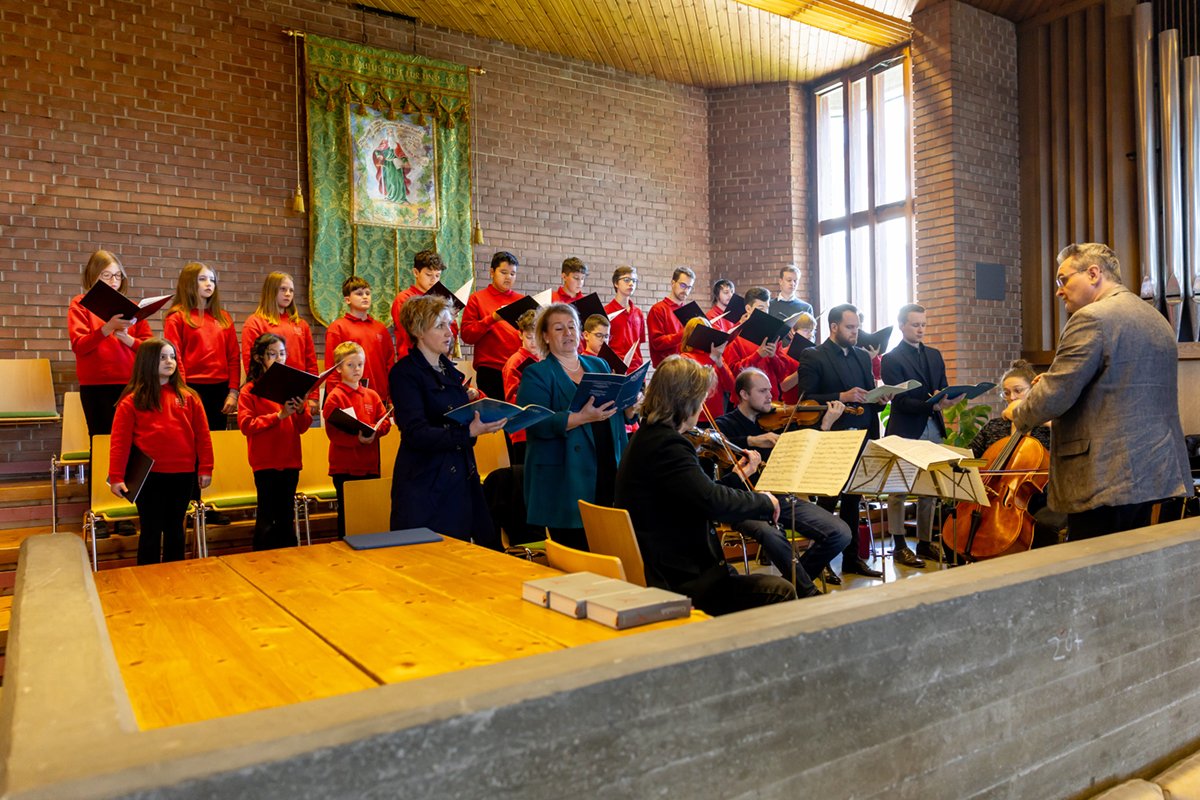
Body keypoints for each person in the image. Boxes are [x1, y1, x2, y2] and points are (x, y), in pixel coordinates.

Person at [1004, 242, 1191, 539]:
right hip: (1154, 468)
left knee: (1093, 565)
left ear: (1093, 273)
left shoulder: (1091, 318)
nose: (1059, 291)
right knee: (1132, 558)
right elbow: (1119, 388)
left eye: (1063, 280)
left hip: (1105, 474)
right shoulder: (1158, 320)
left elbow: (1055, 395)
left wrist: (1019, 411)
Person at [614, 356, 796, 615]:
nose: (702, 407)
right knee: (781, 591)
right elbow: (712, 503)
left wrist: (737, 477)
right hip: (679, 578)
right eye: (700, 400)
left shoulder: (648, 436)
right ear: (686, 401)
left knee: (740, 578)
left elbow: (696, 493)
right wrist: (765, 501)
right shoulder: (668, 445)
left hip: (665, 564)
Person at [715, 367, 853, 592]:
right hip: (743, 503)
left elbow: (806, 451)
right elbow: (719, 444)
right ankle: (808, 592)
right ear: (744, 394)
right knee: (771, 534)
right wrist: (752, 440)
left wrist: (826, 425)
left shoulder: (781, 421)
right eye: (762, 391)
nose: (770, 397)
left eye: (770, 390)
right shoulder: (724, 424)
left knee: (840, 532)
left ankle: (791, 587)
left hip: (780, 498)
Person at [515, 304, 633, 551]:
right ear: (546, 336)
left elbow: (610, 410)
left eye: (572, 327)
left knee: (607, 550)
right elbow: (534, 422)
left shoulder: (599, 365)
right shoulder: (537, 373)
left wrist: (629, 409)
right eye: (559, 328)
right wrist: (580, 418)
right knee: (577, 553)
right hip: (566, 478)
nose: (568, 333)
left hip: (606, 468)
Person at [390, 295, 504, 546]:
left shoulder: (450, 371)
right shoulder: (405, 373)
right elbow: (415, 433)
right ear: (418, 330)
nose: (449, 332)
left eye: (449, 324)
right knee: (430, 556)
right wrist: (468, 432)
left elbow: (455, 418)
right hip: (426, 481)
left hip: (461, 474)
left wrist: (482, 415)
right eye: (440, 326)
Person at [795, 303, 893, 579]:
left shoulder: (862, 356)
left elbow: (869, 396)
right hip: (832, 438)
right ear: (834, 327)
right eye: (850, 327)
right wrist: (842, 396)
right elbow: (806, 398)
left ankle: (852, 559)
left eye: (857, 327)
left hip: (861, 436)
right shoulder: (813, 355)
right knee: (829, 500)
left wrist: (880, 399)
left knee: (852, 500)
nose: (855, 332)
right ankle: (820, 561)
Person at [108, 338, 213, 565]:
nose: (169, 362)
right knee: (151, 530)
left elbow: (203, 436)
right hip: (149, 477)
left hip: (183, 474)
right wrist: (116, 477)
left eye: (172, 357)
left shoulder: (189, 397)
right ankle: (148, 576)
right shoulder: (132, 401)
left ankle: (175, 575)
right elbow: (120, 442)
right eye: (163, 357)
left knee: (175, 528)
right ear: (147, 362)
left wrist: (206, 467)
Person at [879, 303, 956, 566]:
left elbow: (942, 387)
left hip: (933, 426)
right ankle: (899, 545)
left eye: (923, 324)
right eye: (915, 325)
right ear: (902, 326)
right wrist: (931, 405)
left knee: (930, 488)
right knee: (899, 489)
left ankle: (924, 543)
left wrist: (948, 399)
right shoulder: (891, 359)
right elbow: (899, 401)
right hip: (905, 429)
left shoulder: (934, 354)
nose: (920, 329)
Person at [967, 359, 1060, 550]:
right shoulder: (995, 426)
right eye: (1006, 393)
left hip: (1041, 498)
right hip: (998, 497)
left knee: (1043, 527)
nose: (1012, 397)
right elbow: (970, 456)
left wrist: (1023, 416)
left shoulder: (1048, 427)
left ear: (1033, 391)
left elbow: (1068, 434)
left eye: (1018, 390)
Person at [238, 334, 312, 551]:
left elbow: (303, 427)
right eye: (272, 354)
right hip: (265, 462)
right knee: (267, 516)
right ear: (259, 358)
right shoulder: (250, 390)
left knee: (286, 517)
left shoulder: (292, 385)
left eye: (282, 353)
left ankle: (289, 560)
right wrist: (278, 416)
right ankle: (262, 559)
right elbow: (246, 425)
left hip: (290, 459)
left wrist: (301, 410)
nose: (279, 359)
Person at [69, 250, 153, 438]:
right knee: (101, 439)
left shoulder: (133, 308)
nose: (114, 281)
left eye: (117, 275)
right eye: (106, 275)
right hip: (96, 385)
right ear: (93, 275)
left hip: (130, 384)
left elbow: (149, 349)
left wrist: (128, 340)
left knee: (132, 440)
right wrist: (108, 328)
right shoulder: (81, 304)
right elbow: (79, 345)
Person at [323, 341, 392, 539]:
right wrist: (357, 440)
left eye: (360, 364)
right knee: (347, 514)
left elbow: (385, 422)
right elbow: (333, 433)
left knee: (368, 512)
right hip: (344, 466)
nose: (356, 369)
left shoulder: (372, 395)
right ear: (338, 369)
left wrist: (375, 432)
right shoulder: (334, 397)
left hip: (369, 464)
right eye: (350, 365)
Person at [164, 261, 239, 431]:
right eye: (202, 279)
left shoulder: (224, 317)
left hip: (220, 388)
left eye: (212, 280)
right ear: (189, 282)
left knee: (216, 438)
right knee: (190, 437)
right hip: (190, 386)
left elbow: (234, 357)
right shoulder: (177, 317)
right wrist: (181, 389)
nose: (209, 284)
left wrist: (233, 392)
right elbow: (175, 357)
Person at [241, 271, 318, 413]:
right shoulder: (254, 323)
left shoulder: (301, 325)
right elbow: (250, 363)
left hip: (298, 396)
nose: (288, 294)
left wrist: (313, 396)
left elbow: (311, 363)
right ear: (271, 291)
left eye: (291, 290)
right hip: (268, 396)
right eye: (283, 289)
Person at [461, 251, 525, 402]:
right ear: (492, 272)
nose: (508, 277)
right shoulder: (477, 298)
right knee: (493, 414)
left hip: (518, 369)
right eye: (504, 272)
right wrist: (492, 319)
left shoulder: (521, 301)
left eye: (513, 274)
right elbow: (467, 335)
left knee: (518, 412)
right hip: (490, 369)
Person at [324, 276, 395, 400]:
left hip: (379, 396)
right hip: (349, 397)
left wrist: (391, 395)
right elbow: (332, 368)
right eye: (359, 294)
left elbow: (389, 364)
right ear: (347, 300)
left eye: (368, 293)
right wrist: (337, 397)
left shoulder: (381, 329)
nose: (365, 297)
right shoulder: (338, 328)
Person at [390, 249, 458, 359]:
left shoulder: (441, 299)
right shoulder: (404, 299)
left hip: (438, 358)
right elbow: (409, 333)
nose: (433, 280)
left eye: (437, 276)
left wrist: (451, 318)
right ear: (416, 273)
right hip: (413, 359)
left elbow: (452, 334)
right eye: (429, 275)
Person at [502, 309, 541, 463]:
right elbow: (511, 399)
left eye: (537, 337)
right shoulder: (515, 362)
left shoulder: (544, 359)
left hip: (541, 427)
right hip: (522, 432)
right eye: (529, 337)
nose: (533, 342)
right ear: (520, 335)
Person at [679, 317, 735, 422]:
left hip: (717, 417)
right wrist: (711, 359)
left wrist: (720, 364)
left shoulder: (716, 357)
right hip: (694, 417)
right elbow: (696, 384)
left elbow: (730, 386)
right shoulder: (685, 358)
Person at [647, 266, 695, 366]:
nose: (686, 290)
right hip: (666, 368)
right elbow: (657, 343)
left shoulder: (689, 311)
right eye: (683, 285)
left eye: (689, 287)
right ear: (673, 283)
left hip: (686, 366)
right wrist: (683, 334)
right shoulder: (658, 309)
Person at [604, 265, 647, 370]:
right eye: (626, 280)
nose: (631, 283)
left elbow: (638, 343)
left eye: (634, 281)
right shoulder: (606, 312)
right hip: (615, 369)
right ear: (616, 283)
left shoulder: (638, 313)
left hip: (636, 369)